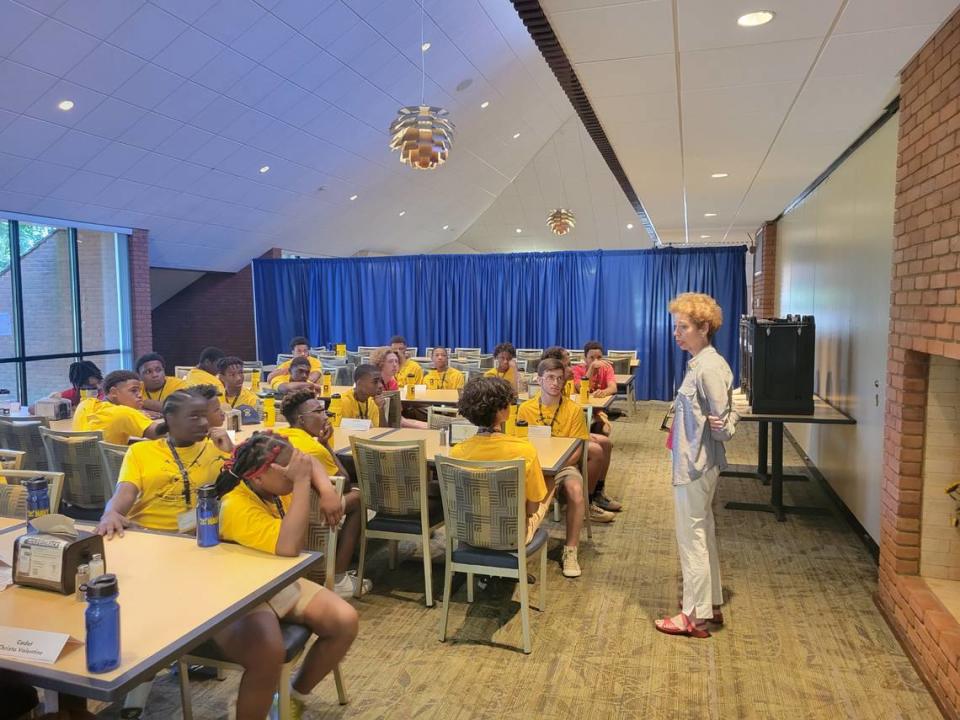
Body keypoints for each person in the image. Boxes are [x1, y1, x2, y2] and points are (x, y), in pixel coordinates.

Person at [96, 388, 280, 720]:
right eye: (192, 416)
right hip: (150, 545)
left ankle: (172, 659)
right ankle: (141, 681)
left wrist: (229, 453)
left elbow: (243, 492)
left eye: (205, 415)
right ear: (169, 419)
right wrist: (111, 512)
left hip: (203, 545)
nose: (202, 422)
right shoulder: (142, 454)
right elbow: (123, 495)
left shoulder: (215, 452)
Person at [215, 434, 358, 720]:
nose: (296, 475)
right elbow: (289, 548)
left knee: (345, 621)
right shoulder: (236, 505)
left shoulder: (276, 485)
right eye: (291, 474)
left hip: (277, 581)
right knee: (268, 653)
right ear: (258, 478)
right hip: (242, 591)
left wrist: (328, 492)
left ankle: (292, 697)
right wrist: (303, 483)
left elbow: (309, 461)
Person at [655, 292, 739, 639]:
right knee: (702, 533)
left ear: (704, 328)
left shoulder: (707, 368)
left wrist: (723, 424)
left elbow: (723, 424)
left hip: (695, 466)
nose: (677, 333)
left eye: (684, 327)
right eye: (676, 327)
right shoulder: (703, 363)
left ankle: (693, 617)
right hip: (696, 462)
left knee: (692, 539)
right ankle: (710, 605)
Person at [276, 389, 371, 597]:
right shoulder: (314, 447)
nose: (325, 415)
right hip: (312, 511)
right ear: (301, 420)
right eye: (319, 411)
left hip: (284, 510)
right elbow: (343, 482)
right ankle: (338, 576)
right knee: (359, 497)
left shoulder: (281, 439)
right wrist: (326, 444)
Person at [450, 376, 552, 551]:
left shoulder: (457, 452)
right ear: (503, 411)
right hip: (512, 537)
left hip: (469, 534)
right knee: (551, 481)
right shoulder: (524, 451)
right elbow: (532, 507)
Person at [519, 358, 615, 529]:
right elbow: (521, 443)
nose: (556, 383)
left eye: (559, 378)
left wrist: (555, 468)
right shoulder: (525, 409)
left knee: (575, 491)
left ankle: (571, 546)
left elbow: (577, 451)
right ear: (539, 380)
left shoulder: (574, 410)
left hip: (563, 465)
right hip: (533, 466)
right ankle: (523, 535)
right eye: (550, 378)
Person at [542, 346, 621, 513]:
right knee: (596, 451)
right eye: (567, 363)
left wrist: (599, 416)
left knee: (605, 442)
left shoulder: (566, 383)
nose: (571, 368)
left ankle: (598, 492)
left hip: (569, 429)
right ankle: (588, 500)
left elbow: (575, 405)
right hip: (559, 437)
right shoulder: (551, 387)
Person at [73, 370, 166, 445]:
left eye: (140, 391)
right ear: (114, 392)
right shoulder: (124, 413)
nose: (140, 395)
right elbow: (167, 435)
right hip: (115, 467)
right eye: (134, 390)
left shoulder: (85, 404)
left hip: (85, 466)